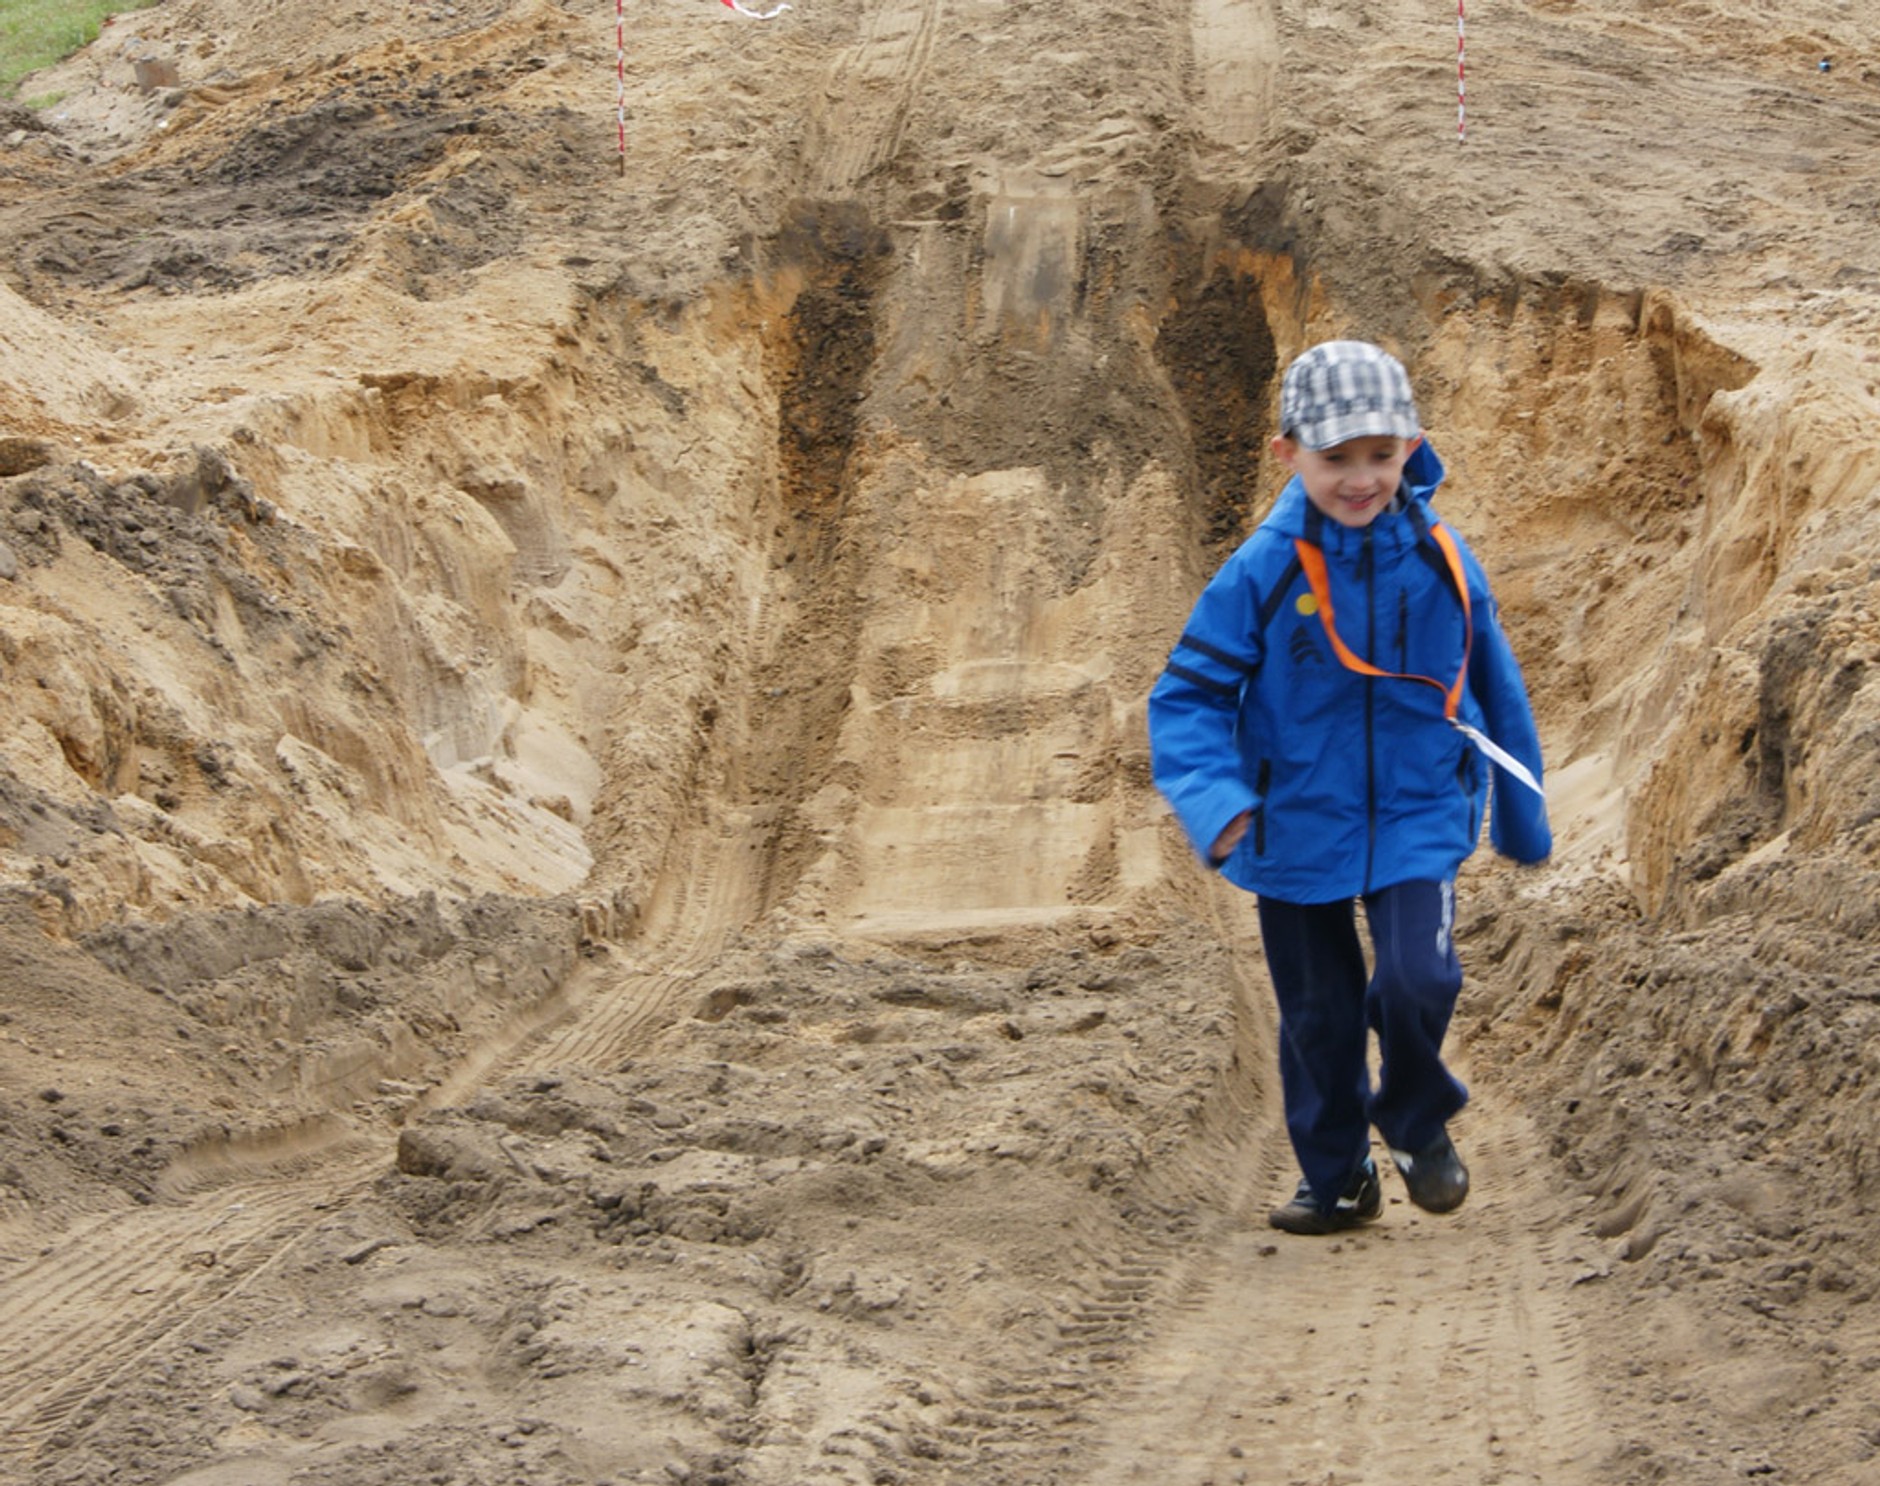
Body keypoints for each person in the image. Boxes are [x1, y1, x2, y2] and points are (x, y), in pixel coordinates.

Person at [1147, 340, 1551, 1236]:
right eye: (1336, 459)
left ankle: (1412, 1112)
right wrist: (1217, 804)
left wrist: (1522, 808)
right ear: (1288, 455)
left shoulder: (1444, 555)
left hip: (1418, 808)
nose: (1361, 479)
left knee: (1418, 976)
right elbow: (1188, 697)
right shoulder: (1262, 567)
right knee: (1319, 1018)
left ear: (1411, 443)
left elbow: (1496, 682)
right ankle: (1337, 1177)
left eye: (1381, 453)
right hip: (1291, 822)